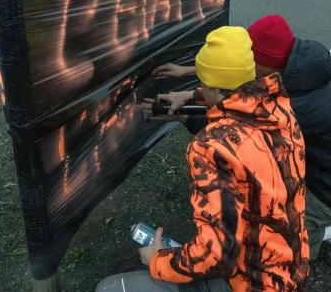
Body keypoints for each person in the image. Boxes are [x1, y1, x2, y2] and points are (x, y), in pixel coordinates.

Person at [153, 15, 331, 268]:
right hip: (329, 168)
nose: (245, 65)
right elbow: (238, 90)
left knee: (281, 232)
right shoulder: (298, 69)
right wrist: (190, 92)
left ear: (266, 68)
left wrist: (186, 116)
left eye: (249, 61)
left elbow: (237, 133)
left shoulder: (290, 105)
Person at [96, 27, 310, 292]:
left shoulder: (210, 148)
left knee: (110, 288)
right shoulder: (282, 111)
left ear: (208, 83)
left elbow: (215, 253)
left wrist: (158, 261)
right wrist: (195, 96)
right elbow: (235, 95)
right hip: (291, 271)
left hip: (251, 283)